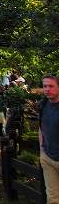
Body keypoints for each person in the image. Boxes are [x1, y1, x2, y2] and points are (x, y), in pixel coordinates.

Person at [39, 74, 59, 203]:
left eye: (51, 86)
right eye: (45, 86)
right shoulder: (43, 104)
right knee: (52, 198)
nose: (47, 89)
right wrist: (42, 150)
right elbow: (41, 128)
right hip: (47, 158)